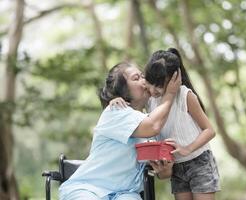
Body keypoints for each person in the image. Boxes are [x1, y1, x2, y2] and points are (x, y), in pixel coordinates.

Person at [59, 62, 181, 200]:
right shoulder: (115, 111)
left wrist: (165, 170)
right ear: (123, 90)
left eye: (143, 76)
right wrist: (170, 94)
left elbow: (161, 173)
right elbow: (153, 126)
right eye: (136, 78)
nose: (144, 81)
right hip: (89, 188)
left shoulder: (148, 120)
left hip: (126, 193)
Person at [111, 48, 220, 200]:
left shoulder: (185, 96)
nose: (154, 90)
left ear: (174, 79)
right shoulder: (150, 100)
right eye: (150, 83)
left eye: (160, 86)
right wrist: (116, 99)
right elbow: (134, 113)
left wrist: (187, 149)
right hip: (175, 166)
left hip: (199, 161)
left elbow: (210, 130)